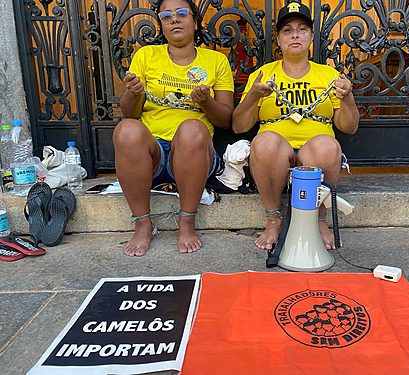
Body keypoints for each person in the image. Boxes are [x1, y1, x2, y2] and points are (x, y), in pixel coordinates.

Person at [232, 1, 359, 251]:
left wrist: (348, 99)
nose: (295, 35)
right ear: (278, 39)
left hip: (315, 152)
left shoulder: (329, 76)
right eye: (288, 30)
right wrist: (254, 96)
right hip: (275, 153)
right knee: (265, 140)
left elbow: (349, 127)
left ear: (311, 35)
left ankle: (319, 219)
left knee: (326, 145)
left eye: (302, 29)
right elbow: (238, 126)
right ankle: (274, 218)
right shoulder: (263, 75)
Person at [113, 0, 234, 256]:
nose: (174, 20)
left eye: (181, 14)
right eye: (166, 16)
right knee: (126, 129)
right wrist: (133, 94)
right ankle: (143, 223)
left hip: (194, 155)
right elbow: (129, 113)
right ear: (161, 24)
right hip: (153, 155)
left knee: (191, 128)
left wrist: (205, 101)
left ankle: (187, 222)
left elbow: (225, 119)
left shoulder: (216, 61)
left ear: (195, 21)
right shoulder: (146, 56)